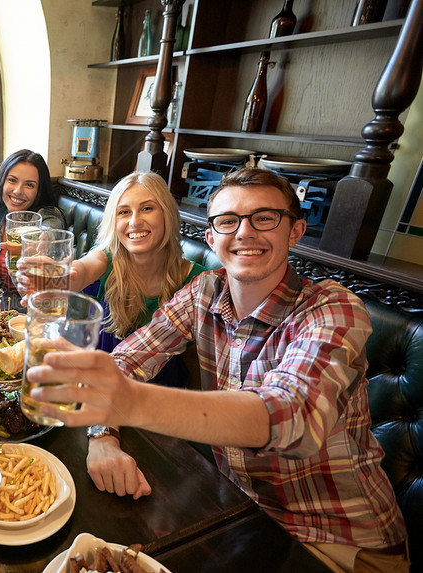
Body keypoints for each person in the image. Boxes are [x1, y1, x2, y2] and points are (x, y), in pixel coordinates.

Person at [26, 168, 409, 572]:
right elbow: (127, 360)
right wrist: (103, 434)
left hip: (334, 541)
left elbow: (291, 417)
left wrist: (126, 400)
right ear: (212, 238)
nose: (244, 232)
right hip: (233, 510)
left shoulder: (332, 308)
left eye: (264, 218)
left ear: (295, 231)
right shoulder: (204, 291)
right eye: (229, 221)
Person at [15, 171, 205, 497]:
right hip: (96, 405)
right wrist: (56, 279)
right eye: (124, 211)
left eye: (147, 208)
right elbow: (81, 270)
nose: (134, 221)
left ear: (168, 215)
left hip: (156, 421)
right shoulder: (107, 258)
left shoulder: (199, 283)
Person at [0, 149, 65, 309]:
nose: (18, 191)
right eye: (12, 180)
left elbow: (50, 229)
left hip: (30, 315)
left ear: (39, 191)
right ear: (2, 182)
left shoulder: (48, 216)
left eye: (29, 185)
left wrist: (45, 237)